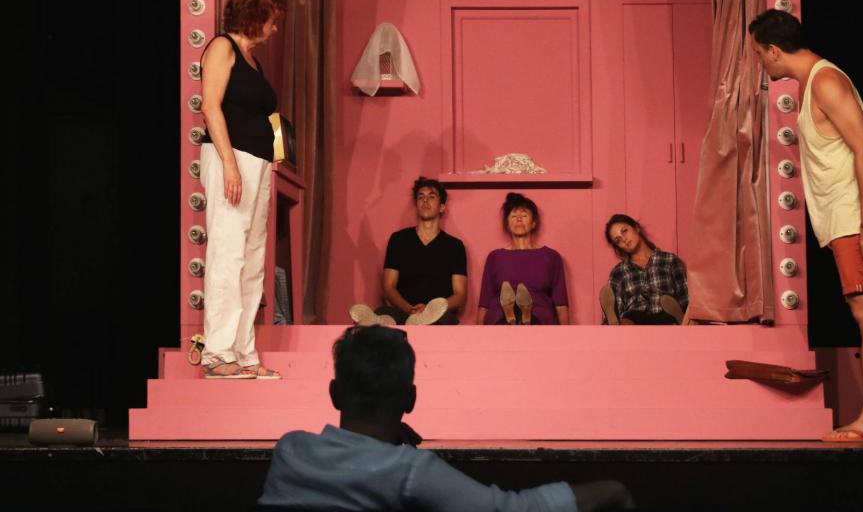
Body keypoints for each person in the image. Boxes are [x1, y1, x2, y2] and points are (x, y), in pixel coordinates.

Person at [258, 326, 635, 511]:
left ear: (334, 393)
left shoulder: (290, 452)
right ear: (410, 400)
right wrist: (612, 490)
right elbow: (509, 510)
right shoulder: (409, 470)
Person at [749, 9, 863, 441]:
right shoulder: (813, 83)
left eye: (759, 54)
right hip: (844, 218)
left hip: (853, 217)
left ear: (774, 51)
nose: (760, 62)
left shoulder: (826, 80)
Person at [198, 0, 286, 379]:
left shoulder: (252, 60)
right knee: (228, 254)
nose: (274, 27)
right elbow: (211, 106)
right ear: (254, 15)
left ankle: (244, 353)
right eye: (271, 18)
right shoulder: (223, 47)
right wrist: (229, 163)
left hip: (257, 163)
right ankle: (218, 353)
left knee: (252, 261)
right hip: (231, 159)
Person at [350, 177, 467, 326]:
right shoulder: (398, 240)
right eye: (421, 197)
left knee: (445, 319)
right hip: (404, 312)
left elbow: (460, 295)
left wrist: (430, 310)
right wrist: (410, 310)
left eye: (431, 197)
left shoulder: (455, 246)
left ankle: (396, 323)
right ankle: (381, 322)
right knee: (383, 312)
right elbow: (388, 286)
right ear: (416, 204)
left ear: (442, 207)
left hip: (437, 316)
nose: (425, 200)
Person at [477, 193, 569, 325]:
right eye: (514, 216)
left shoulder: (551, 256)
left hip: (540, 318)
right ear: (507, 224)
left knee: (535, 319)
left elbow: (561, 303)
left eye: (524, 216)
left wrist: (566, 334)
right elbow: (484, 303)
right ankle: (518, 315)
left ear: (534, 223)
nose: (519, 219)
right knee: (501, 318)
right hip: (498, 319)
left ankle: (522, 316)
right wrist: (477, 334)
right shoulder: (495, 257)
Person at [601, 214, 688, 326]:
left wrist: (689, 318)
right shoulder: (618, 272)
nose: (624, 239)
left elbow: (684, 296)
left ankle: (681, 320)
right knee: (629, 317)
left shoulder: (669, 260)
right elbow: (618, 306)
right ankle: (615, 325)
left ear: (636, 228)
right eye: (618, 240)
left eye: (624, 231)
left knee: (666, 316)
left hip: (664, 314)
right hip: (634, 318)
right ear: (618, 247)